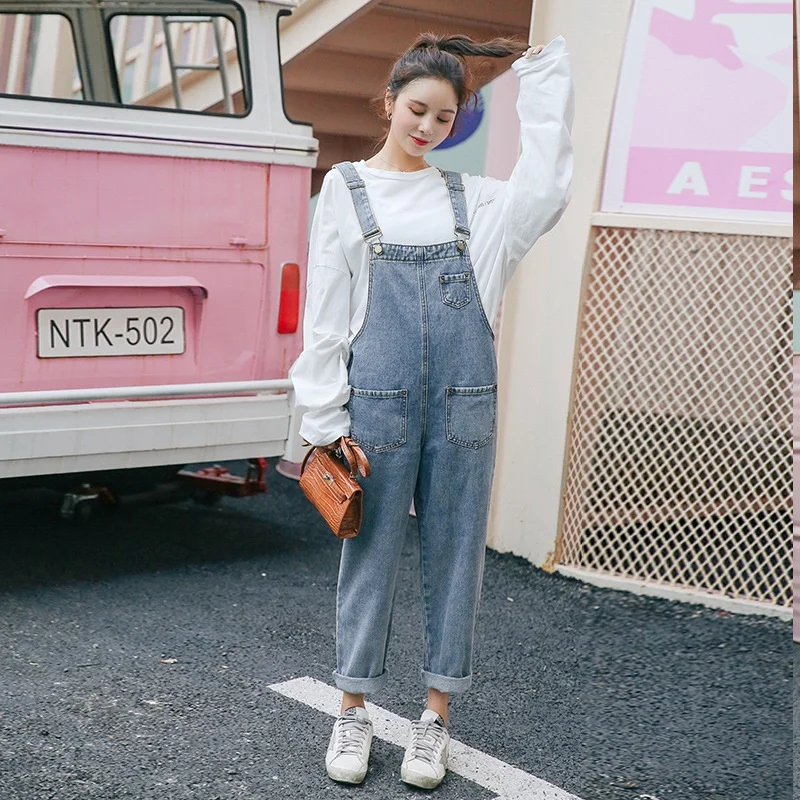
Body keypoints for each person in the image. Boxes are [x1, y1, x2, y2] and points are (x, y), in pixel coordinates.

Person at [289, 31, 574, 789]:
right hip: (374, 407)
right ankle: (352, 709)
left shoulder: (477, 202)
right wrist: (324, 423)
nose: (427, 127)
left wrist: (545, 78)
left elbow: (547, 189)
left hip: (462, 407)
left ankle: (435, 719)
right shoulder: (345, 188)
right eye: (418, 109)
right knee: (368, 554)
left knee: (456, 557)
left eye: (445, 119)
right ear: (390, 102)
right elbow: (326, 313)